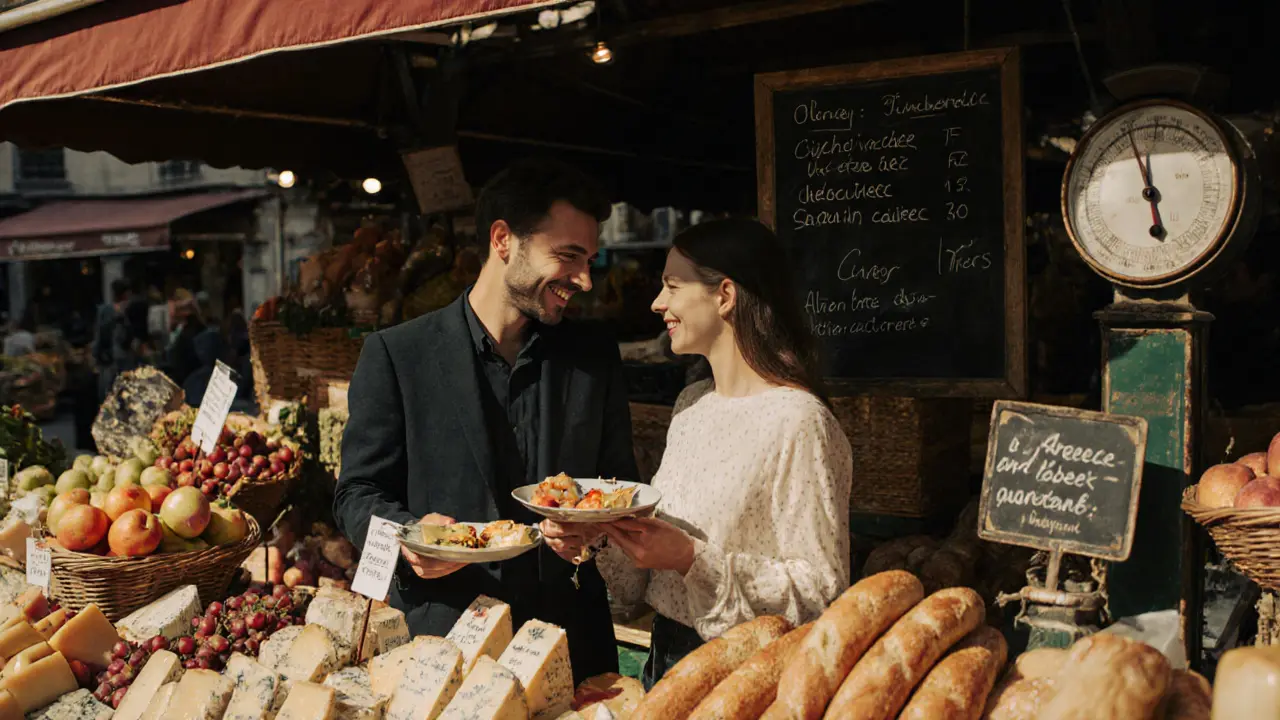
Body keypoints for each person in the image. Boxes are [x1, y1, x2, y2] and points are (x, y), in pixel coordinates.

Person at [332, 158, 638, 682]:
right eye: (567, 255)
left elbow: (617, 486)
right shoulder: (397, 354)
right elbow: (355, 494)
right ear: (503, 240)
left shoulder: (595, 357)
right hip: (445, 648)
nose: (584, 279)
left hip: (573, 645)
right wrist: (408, 538)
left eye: (589, 258)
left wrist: (593, 533)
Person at [543, 218, 853, 688]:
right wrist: (600, 536)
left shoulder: (798, 421)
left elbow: (822, 594)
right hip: (665, 665)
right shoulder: (692, 406)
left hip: (747, 677)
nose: (657, 303)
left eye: (671, 286)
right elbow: (645, 591)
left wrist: (691, 556)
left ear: (725, 295)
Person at [93, 279, 136, 401]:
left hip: (111, 354)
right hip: (122, 353)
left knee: (109, 391)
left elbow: (100, 333)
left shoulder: (105, 310)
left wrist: (96, 354)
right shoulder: (128, 308)